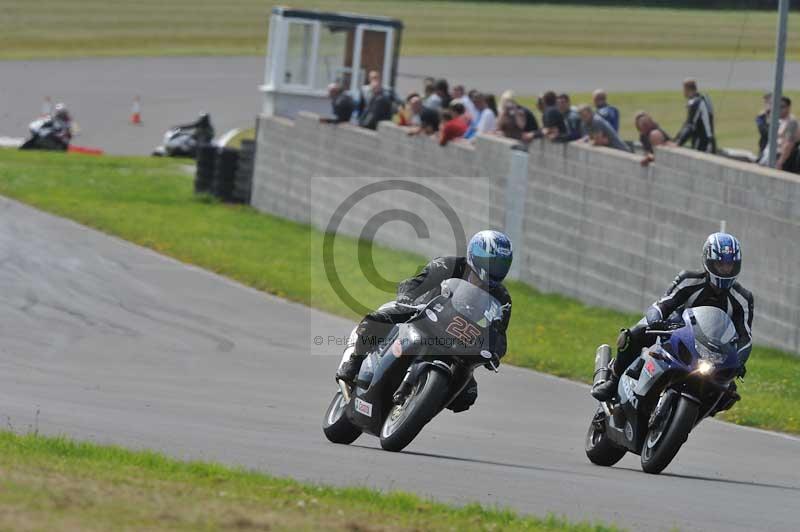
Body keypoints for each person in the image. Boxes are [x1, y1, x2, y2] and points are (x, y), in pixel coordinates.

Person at [335, 230, 514, 413]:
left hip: (456, 340)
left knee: (467, 396)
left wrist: (494, 352)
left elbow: (499, 334)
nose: (495, 268)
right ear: (475, 254)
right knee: (377, 320)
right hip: (421, 316)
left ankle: (420, 404)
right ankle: (354, 362)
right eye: (491, 261)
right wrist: (407, 298)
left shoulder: (502, 298)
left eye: (501, 264)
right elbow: (413, 283)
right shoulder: (448, 265)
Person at [591, 232, 753, 415]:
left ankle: (690, 416)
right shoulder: (689, 279)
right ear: (708, 261)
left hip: (713, 353)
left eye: (730, 265)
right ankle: (613, 381)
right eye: (720, 264)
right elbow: (663, 304)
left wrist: (739, 360)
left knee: (727, 394)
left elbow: (745, 337)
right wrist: (655, 320)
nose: (725, 270)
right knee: (634, 334)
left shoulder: (743, 299)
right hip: (676, 334)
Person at [759, 96, 800, 172]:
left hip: (781, 158)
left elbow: (789, 144)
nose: (779, 109)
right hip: (769, 154)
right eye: (777, 107)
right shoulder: (778, 120)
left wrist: (780, 162)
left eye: (782, 107)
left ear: (788, 108)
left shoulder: (791, 122)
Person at [675, 79, 716, 153]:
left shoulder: (696, 103)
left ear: (687, 89)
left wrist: (678, 143)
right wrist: (676, 139)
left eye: (684, 90)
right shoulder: (703, 98)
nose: (683, 92)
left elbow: (690, 125)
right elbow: (687, 123)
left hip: (703, 143)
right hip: (708, 141)